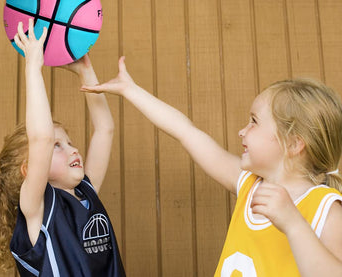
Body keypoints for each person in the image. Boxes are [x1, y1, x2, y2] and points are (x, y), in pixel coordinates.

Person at [81, 57, 342, 276]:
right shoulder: (248, 185)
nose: (242, 131)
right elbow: (186, 132)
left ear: (295, 143)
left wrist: (294, 224)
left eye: (254, 121)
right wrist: (131, 90)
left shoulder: (325, 208)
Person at [0, 19, 125, 276]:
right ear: (29, 168)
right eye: (58, 146)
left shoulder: (85, 192)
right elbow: (41, 139)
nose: (73, 149)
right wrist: (33, 66)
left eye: (69, 142)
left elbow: (104, 129)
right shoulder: (37, 208)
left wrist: (85, 71)